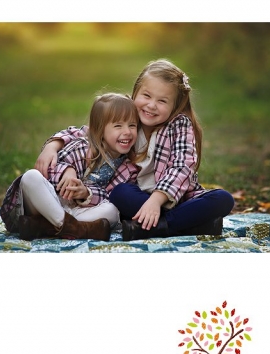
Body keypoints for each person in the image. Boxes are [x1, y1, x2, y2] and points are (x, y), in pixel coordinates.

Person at [35, 59, 234, 241]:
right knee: (119, 193)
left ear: (175, 105)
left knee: (223, 199)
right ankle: (190, 224)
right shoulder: (129, 119)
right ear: (136, 93)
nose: (151, 105)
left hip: (175, 200)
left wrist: (156, 201)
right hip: (136, 202)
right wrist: (53, 145)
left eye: (162, 101)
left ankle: (156, 227)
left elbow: (182, 167)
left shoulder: (179, 125)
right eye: (146, 96)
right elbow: (89, 132)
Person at [0, 93, 139, 241]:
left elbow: (110, 198)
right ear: (100, 130)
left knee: (112, 211)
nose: (127, 132)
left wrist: (86, 193)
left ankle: (47, 227)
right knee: (30, 177)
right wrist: (66, 171)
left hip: (77, 212)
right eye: (118, 126)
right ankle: (72, 228)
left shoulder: (129, 169)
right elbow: (49, 172)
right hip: (48, 204)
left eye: (132, 125)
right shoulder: (81, 146)